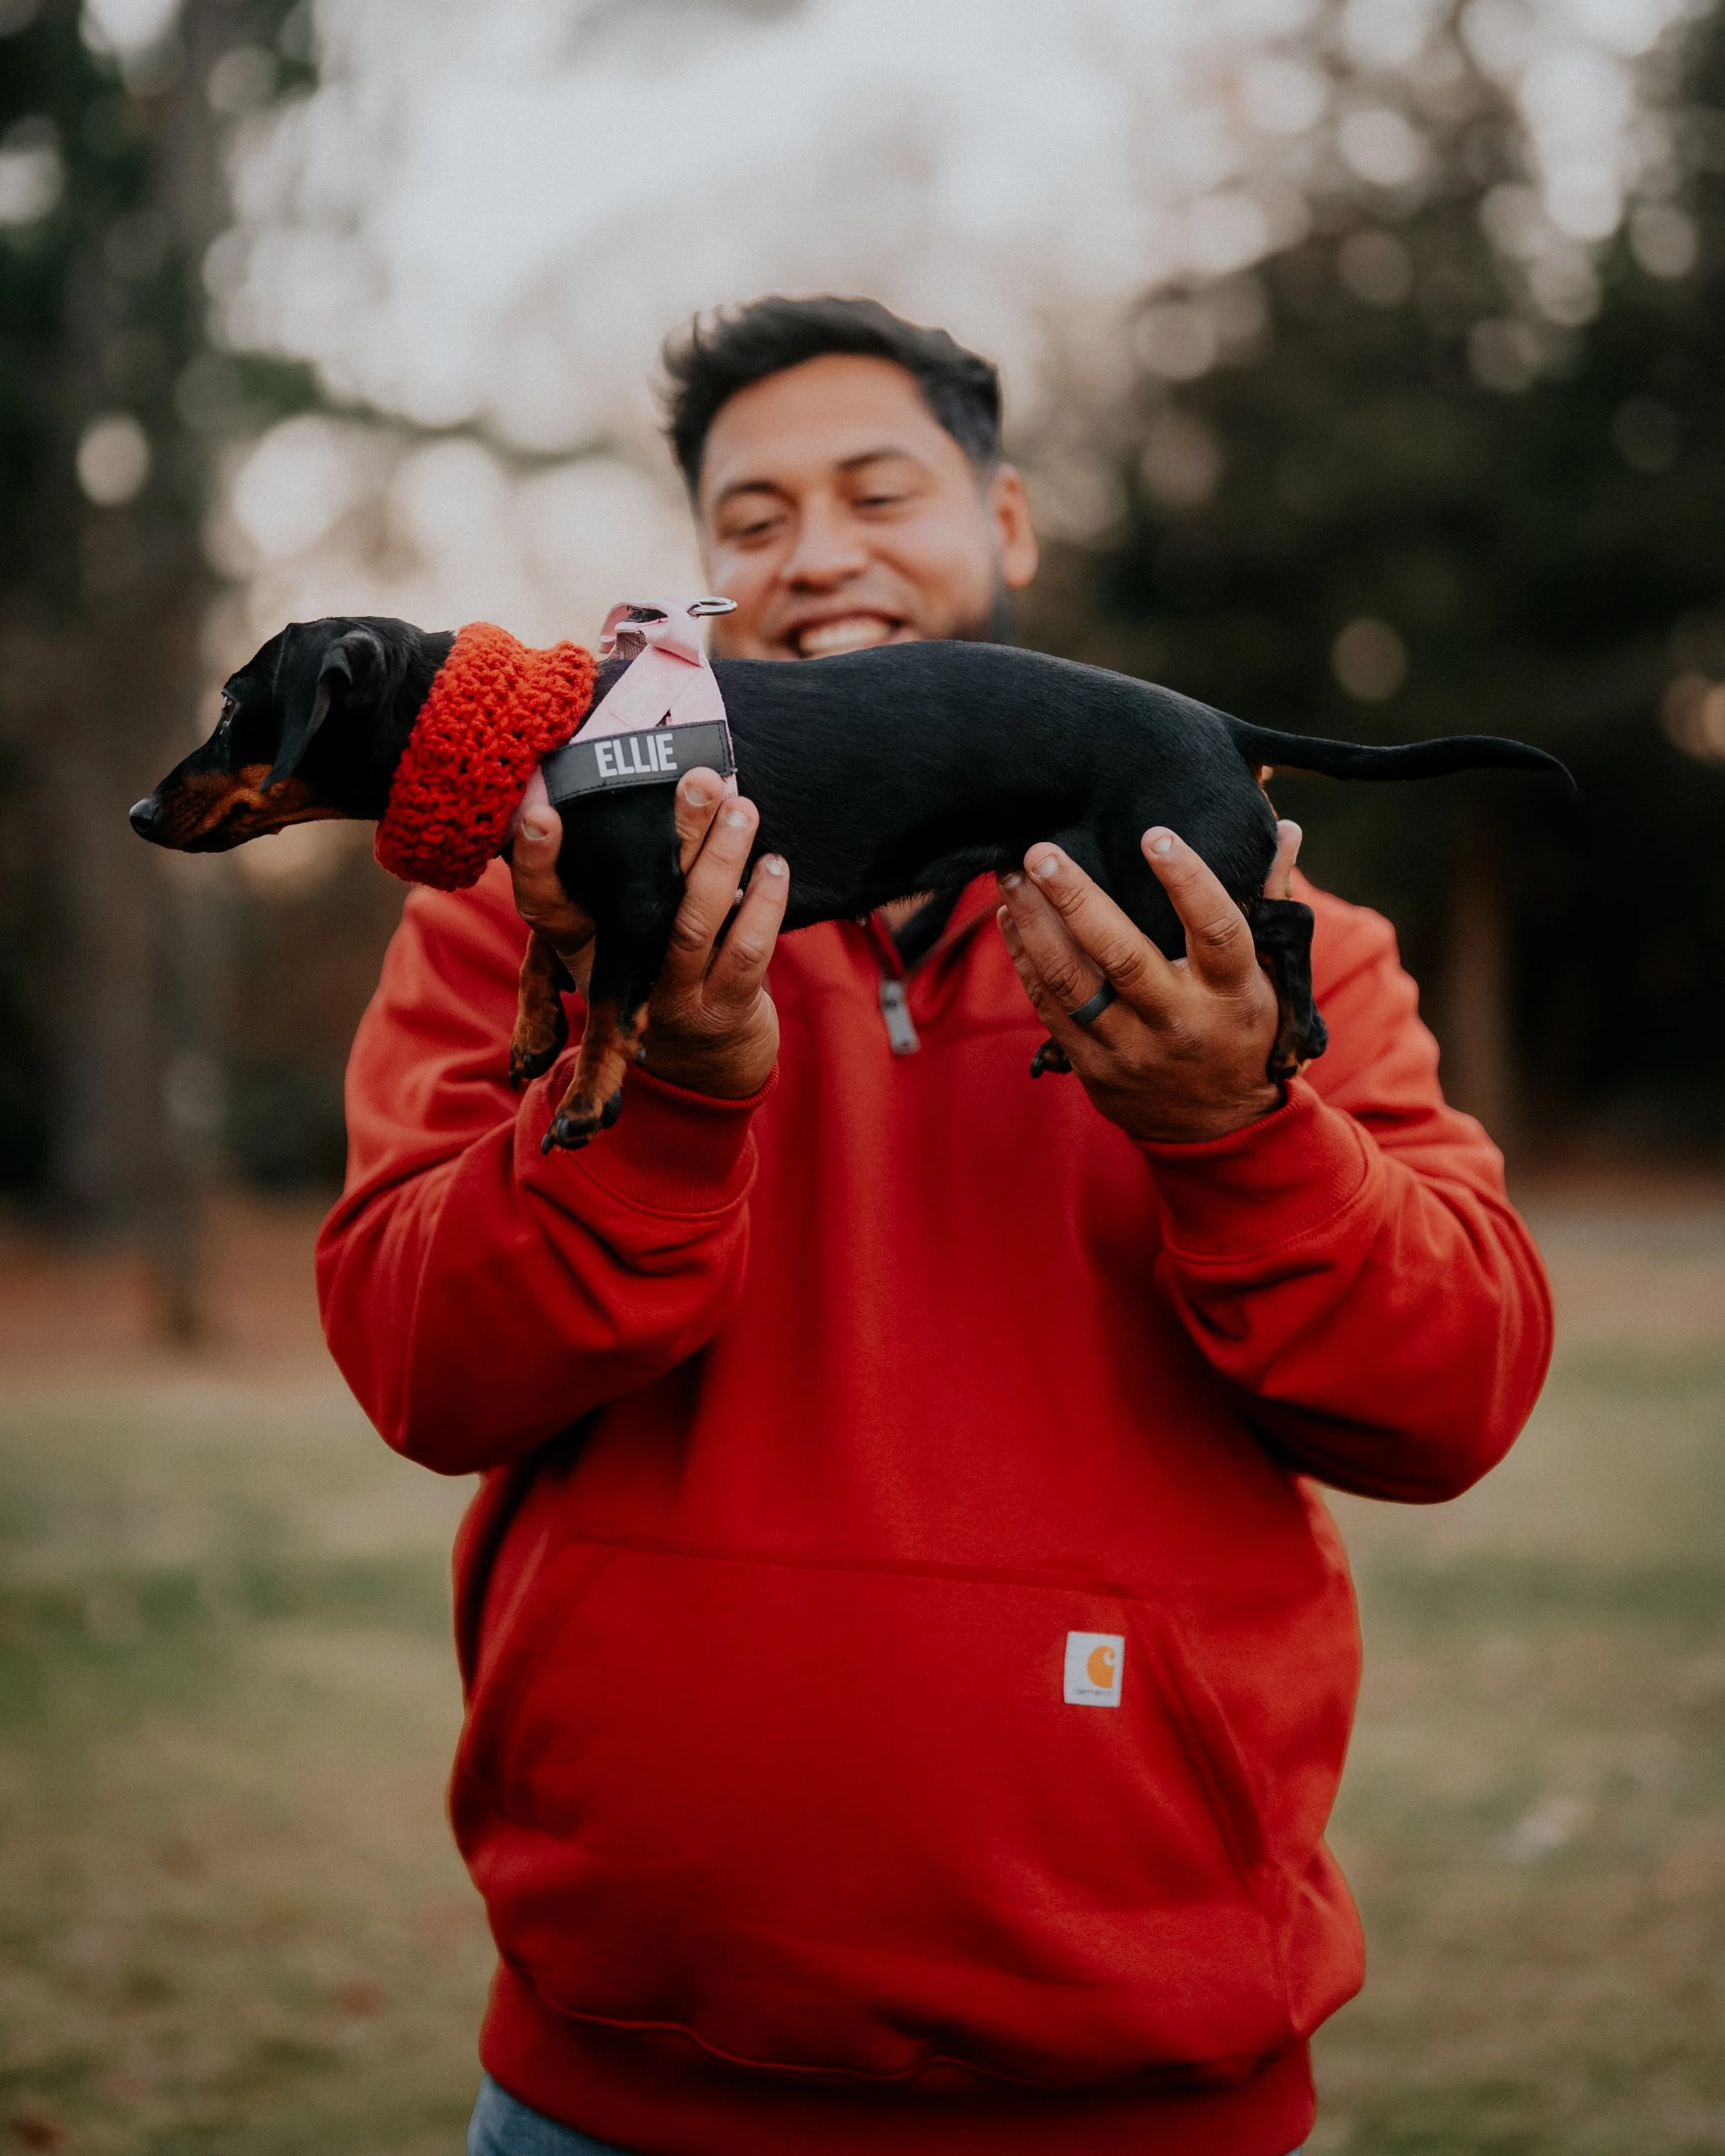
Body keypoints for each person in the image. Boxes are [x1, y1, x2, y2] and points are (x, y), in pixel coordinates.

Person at [317, 297, 1552, 2156]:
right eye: (751, 519)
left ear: (1009, 521)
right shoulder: (529, 915)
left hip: (1143, 2080)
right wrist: (664, 1094)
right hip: (621, 2078)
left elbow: (1450, 1396)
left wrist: (1235, 1128)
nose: (817, 552)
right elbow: (424, 1365)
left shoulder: (1263, 955)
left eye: (879, 491)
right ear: (703, 575)